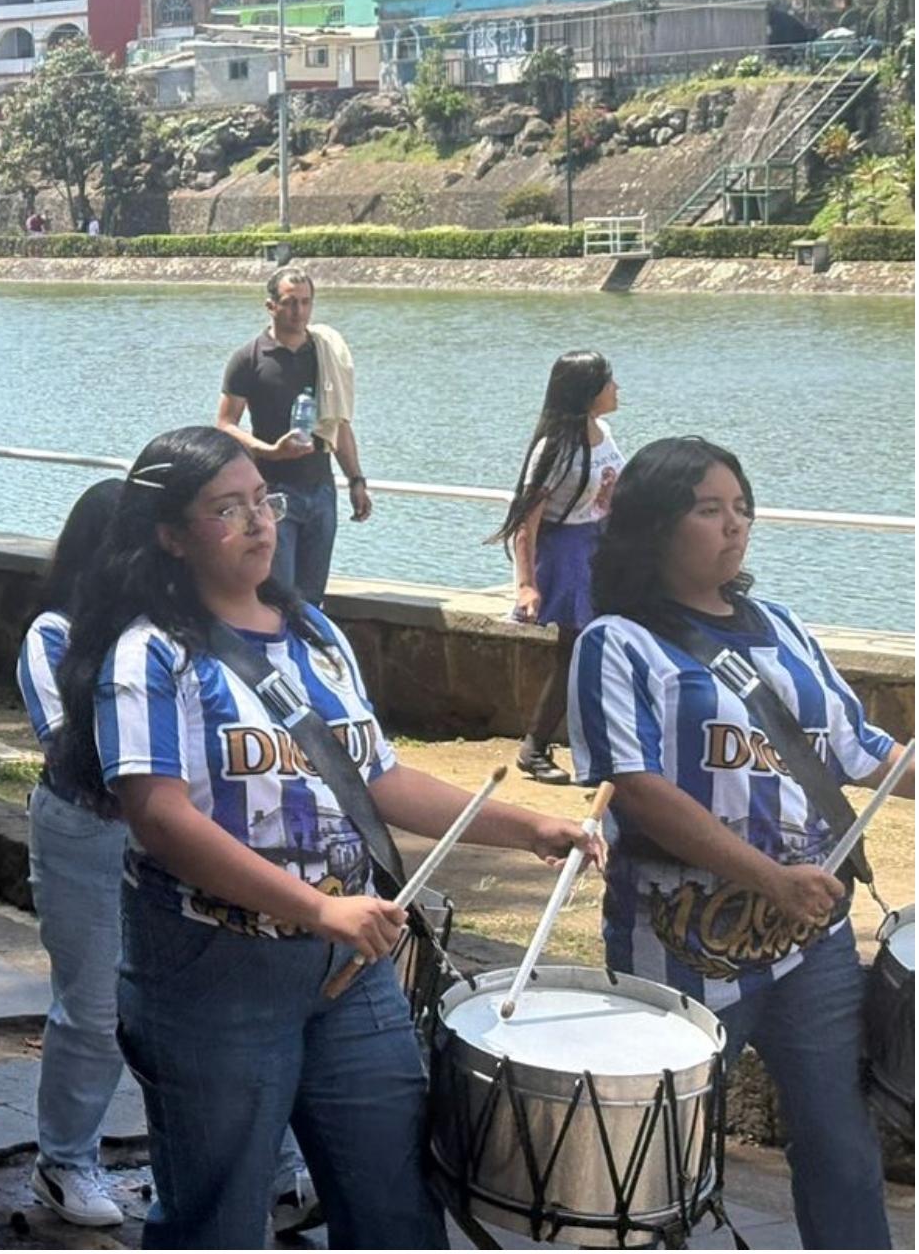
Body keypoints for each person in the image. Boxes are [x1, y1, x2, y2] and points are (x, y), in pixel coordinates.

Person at [45, 425, 594, 1249]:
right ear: (170, 536)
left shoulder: (315, 638)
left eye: (261, 501)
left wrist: (532, 828)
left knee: (396, 1201)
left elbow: (382, 780)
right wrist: (316, 907)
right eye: (225, 510)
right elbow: (160, 817)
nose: (259, 522)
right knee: (218, 1218)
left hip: (349, 970)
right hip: (208, 967)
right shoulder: (149, 655)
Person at [568, 436, 909, 1252]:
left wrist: (795, 889)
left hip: (810, 943)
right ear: (654, 525)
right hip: (679, 939)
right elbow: (639, 790)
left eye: (743, 507)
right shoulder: (617, 643)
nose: (735, 525)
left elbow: (863, 750)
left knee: (841, 1145)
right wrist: (768, 875)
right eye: (709, 509)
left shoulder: (785, 627)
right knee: (655, 1156)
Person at [16, 480, 132, 1229]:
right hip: (87, 831)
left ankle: (278, 1164)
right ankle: (65, 1160)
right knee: (93, 1008)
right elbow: (64, 747)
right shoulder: (54, 635)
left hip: (172, 830)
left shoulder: (173, 630)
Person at [494, 351, 624, 786]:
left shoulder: (602, 432)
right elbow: (525, 524)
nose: (617, 388)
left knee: (598, 651)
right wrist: (526, 584)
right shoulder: (554, 449)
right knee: (575, 653)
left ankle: (593, 748)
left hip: (600, 545)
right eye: (609, 381)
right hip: (569, 551)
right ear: (588, 392)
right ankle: (536, 746)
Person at [214, 268, 369, 604]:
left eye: (305, 302)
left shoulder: (324, 354)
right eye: (290, 303)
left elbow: (338, 424)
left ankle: (306, 656)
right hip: (273, 495)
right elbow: (225, 424)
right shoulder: (249, 358)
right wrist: (269, 450)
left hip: (321, 490)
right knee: (278, 596)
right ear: (271, 306)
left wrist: (356, 480)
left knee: (312, 599)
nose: (299, 311)